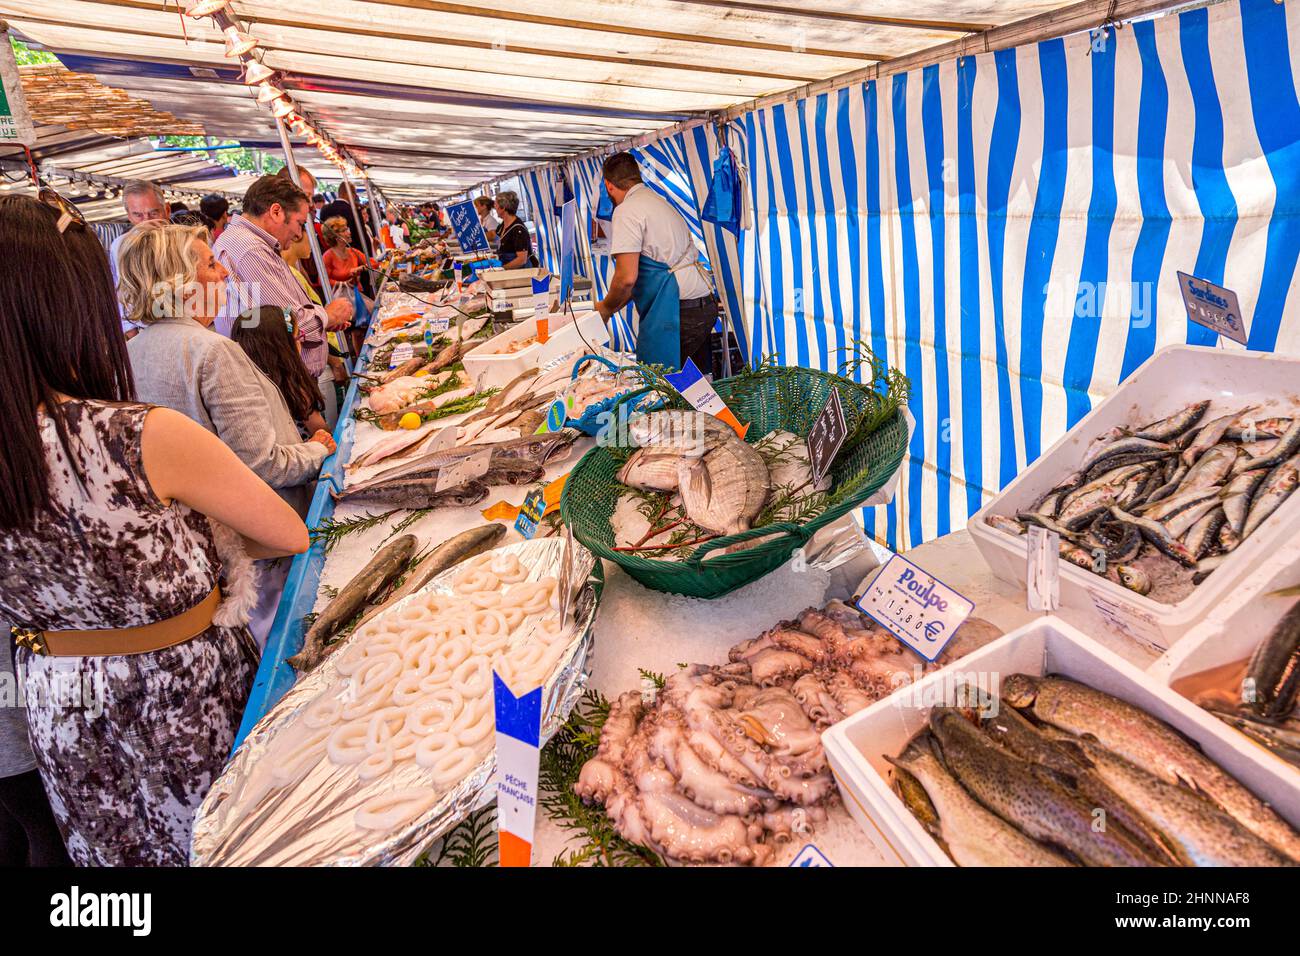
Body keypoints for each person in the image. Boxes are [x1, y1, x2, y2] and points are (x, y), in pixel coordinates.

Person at [0, 194, 310, 866]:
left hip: (60, 704)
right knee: (232, 845)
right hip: (179, 691)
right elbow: (286, 531)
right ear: (72, 304)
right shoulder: (135, 434)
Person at [120, 221, 333, 648]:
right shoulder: (212, 350)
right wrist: (316, 449)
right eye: (213, 264)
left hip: (206, 553)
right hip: (263, 547)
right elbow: (261, 464)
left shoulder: (128, 353)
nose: (225, 275)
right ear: (181, 282)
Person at [211, 175, 353, 415]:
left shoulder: (247, 242)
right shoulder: (250, 249)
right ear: (276, 211)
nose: (299, 234)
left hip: (285, 386)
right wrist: (327, 317)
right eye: (299, 223)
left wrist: (323, 322)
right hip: (286, 390)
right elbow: (286, 323)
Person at [593, 152, 717, 373]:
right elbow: (638, 278)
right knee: (693, 385)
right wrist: (610, 308)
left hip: (677, 312)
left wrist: (605, 308)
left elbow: (626, 279)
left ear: (608, 186)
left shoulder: (626, 211)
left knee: (660, 383)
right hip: (702, 304)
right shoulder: (658, 201)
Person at [232, 306, 329, 437]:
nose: (300, 340)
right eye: (297, 336)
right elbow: (323, 432)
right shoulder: (293, 386)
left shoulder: (247, 389)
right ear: (283, 347)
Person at [108, 180, 168, 338]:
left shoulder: (183, 243)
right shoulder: (120, 246)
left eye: (154, 213)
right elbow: (121, 291)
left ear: (166, 209)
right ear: (128, 215)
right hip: (141, 332)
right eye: (138, 215)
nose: (147, 221)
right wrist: (131, 332)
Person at [494, 191, 536, 270]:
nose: (495, 207)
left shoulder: (518, 230)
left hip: (520, 274)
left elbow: (521, 260)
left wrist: (502, 269)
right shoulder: (501, 226)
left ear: (503, 208)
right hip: (507, 270)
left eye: (496, 205)